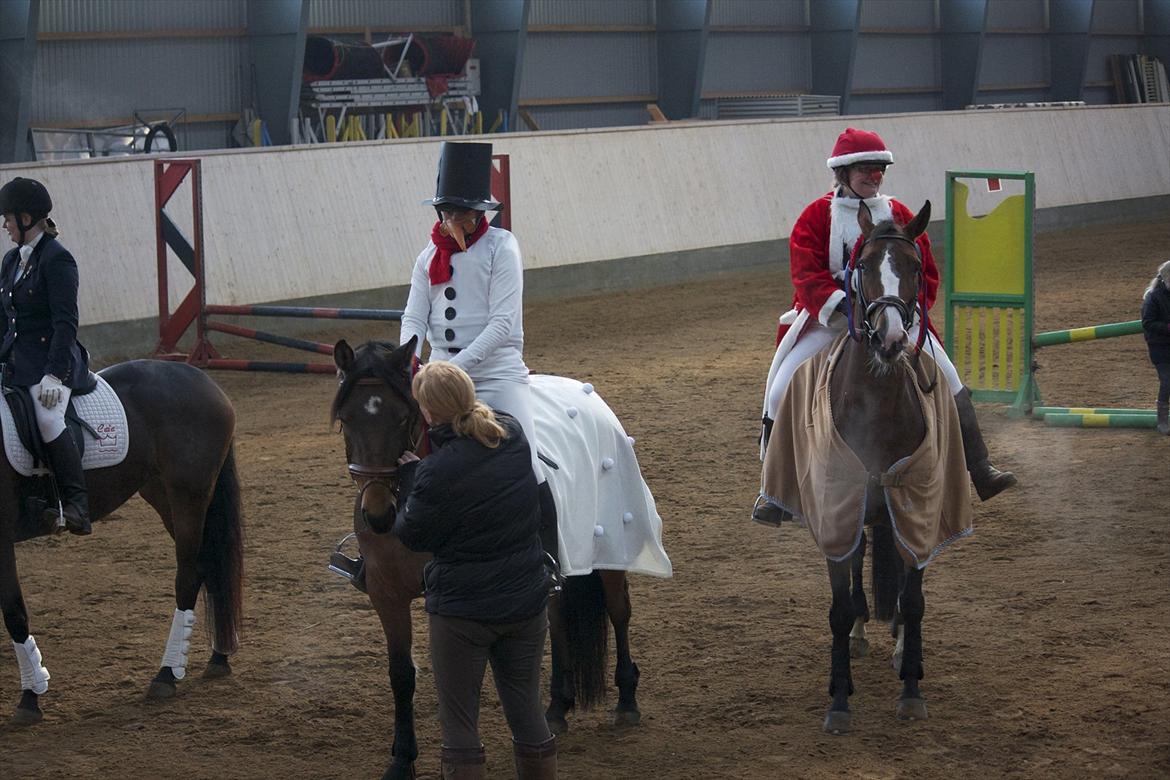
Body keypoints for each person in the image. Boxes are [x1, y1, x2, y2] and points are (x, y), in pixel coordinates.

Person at [754, 128, 1015, 525]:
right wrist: (842, 304)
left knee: (950, 376)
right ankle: (774, 492)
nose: (874, 176)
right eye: (865, 169)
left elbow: (924, 272)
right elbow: (805, 274)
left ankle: (980, 468)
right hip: (833, 318)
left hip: (894, 317)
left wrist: (905, 313)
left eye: (879, 170)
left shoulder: (900, 214)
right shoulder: (814, 216)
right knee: (780, 387)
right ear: (844, 172)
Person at [392, 361, 556, 780]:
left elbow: (412, 535)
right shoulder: (514, 435)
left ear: (428, 414)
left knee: (460, 726)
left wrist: (411, 479)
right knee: (527, 710)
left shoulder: (433, 472)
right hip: (525, 602)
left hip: (463, 614)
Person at [399, 140, 557, 534]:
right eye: (448, 211)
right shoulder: (426, 258)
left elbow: (502, 325)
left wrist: (449, 371)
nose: (455, 220)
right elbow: (414, 317)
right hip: (437, 377)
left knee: (528, 461)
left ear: (478, 213)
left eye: (463, 212)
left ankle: (548, 556)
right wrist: (407, 362)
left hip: (495, 373)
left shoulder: (502, 248)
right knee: (394, 450)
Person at [0, 177, 91, 535]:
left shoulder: (58, 259)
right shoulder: (11, 260)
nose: (5, 226)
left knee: (49, 418)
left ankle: (77, 504)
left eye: (7, 218)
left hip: (54, 362)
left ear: (26, 218)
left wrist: (54, 374)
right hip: (17, 360)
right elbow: (4, 318)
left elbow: (65, 323)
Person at [1142, 260, 1170, 435]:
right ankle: (1163, 421)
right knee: (1167, 381)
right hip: (1159, 347)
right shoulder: (1153, 297)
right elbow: (1148, 323)